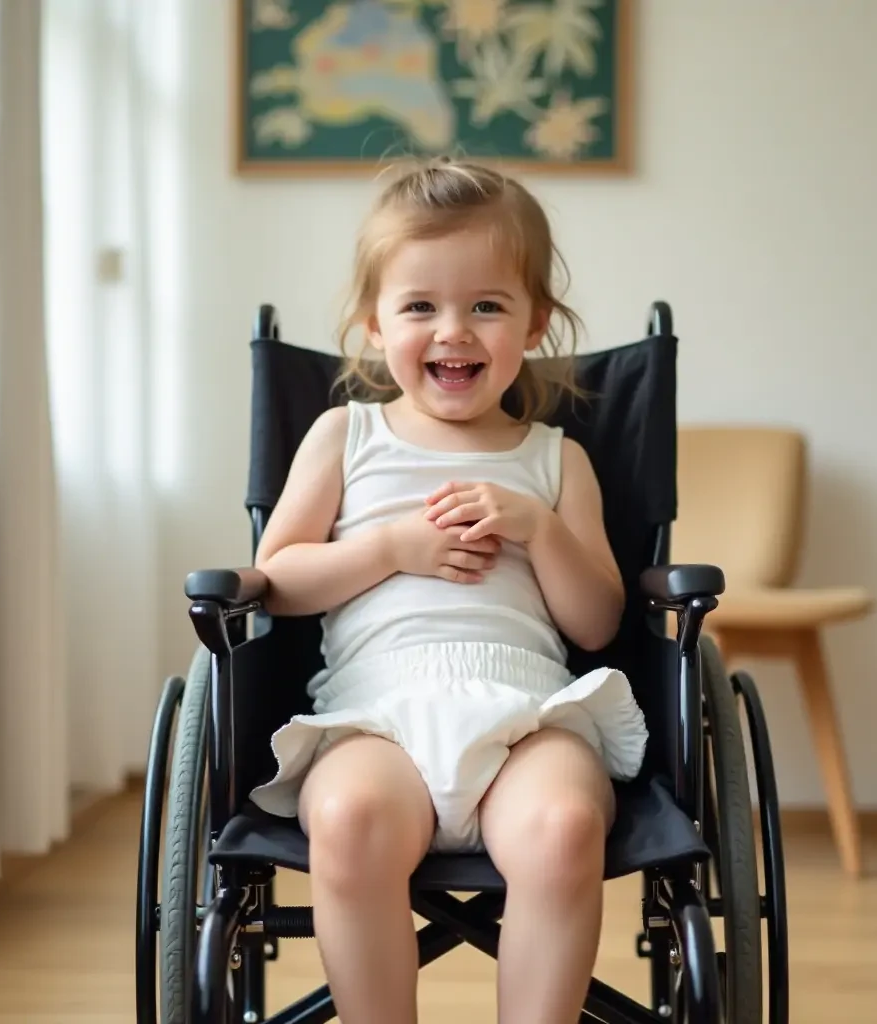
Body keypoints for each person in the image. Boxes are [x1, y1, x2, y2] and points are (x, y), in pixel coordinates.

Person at [248, 157, 648, 1024]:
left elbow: (598, 620)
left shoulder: (554, 459)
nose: (453, 331)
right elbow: (276, 582)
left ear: (536, 323)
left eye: (487, 306)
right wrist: (392, 546)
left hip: (528, 714)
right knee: (348, 818)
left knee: (566, 828)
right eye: (420, 306)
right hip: (375, 712)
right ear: (373, 322)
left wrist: (538, 529)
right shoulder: (345, 436)